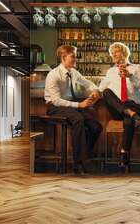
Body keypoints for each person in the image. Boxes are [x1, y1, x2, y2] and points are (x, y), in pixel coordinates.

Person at [44, 45, 103, 174]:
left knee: (96, 126)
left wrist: (94, 90)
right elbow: (56, 100)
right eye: (73, 56)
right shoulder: (53, 75)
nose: (75, 59)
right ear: (63, 57)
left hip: (70, 104)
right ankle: (80, 161)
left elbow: (87, 82)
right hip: (54, 107)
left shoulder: (73, 72)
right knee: (78, 119)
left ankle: (84, 155)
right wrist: (79, 105)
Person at [99, 42, 140, 170]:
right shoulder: (110, 71)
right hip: (117, 107)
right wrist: (92, 92)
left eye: (116, 51)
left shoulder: (137, 68)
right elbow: (100, 89)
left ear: (124, 53)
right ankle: (132, 114)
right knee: (106, 92)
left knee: (128, 121)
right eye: (112, 53)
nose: (113, 55)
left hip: (133, 104)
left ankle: (124, 153)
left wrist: (130, 76)